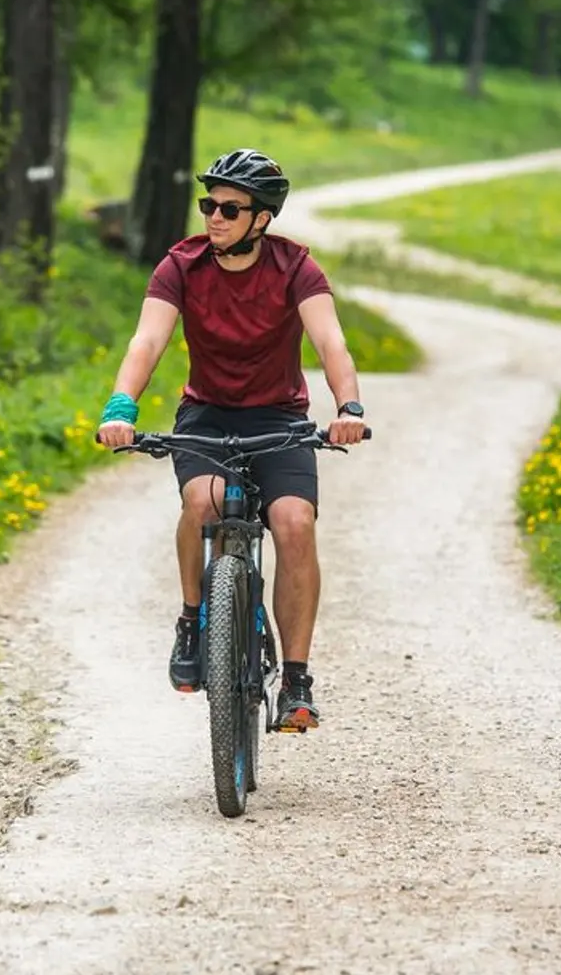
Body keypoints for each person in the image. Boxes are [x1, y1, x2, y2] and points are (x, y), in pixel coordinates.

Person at [95, 148, 367, 732]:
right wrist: (121, 407)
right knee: (204, 502)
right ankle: (194, 620)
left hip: (280, 418)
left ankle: (295, 680)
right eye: (208, 204)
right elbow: (146, 343)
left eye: (228, 207)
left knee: (294, 521)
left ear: (261, 218)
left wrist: (349, 407)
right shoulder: (181, 265)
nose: (213, 216)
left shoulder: (296, 268)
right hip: (207, 417)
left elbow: (331, 343)